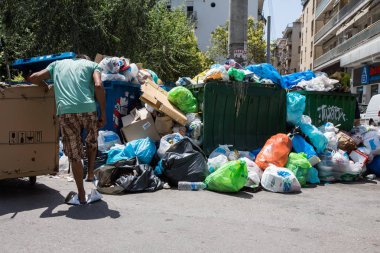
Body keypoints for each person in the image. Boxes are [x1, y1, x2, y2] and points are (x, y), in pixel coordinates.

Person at [28, 54, 106, 204]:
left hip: (66, 112)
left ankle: (81, 195)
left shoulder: (56, 64)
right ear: (85, 60)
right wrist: (103, 113)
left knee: (74, 154)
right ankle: (90, 173)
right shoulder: (92, 66)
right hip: (88, 109)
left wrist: (45, 86)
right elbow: (98, 85)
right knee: (91, 140)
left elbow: (33, 78)